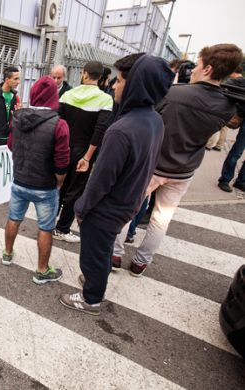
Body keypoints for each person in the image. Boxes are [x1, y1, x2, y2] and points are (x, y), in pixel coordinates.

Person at [113, 44, 243, 277]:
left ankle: (115, 253)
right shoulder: (227, 106)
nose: (192, 69)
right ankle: (141, 262)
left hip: (152, 163)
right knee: (161, 219)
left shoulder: (174, 94)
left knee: (128, 208)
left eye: (198, 65)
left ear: (208, 68)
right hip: (184, 169)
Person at [59, 53, 174, 315]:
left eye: (121, 81)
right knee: (103, 249)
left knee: (94, 253)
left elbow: (101, 179)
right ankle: (94, 281)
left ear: (136, 85)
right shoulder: (154, 119)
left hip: (107, 207)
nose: (115, 86)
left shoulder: (122, 130)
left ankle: (91, 298)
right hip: (130, 201)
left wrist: (82, 207)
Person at [3, 76, 69, 284]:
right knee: (45, 228)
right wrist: (59, 182)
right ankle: (42, 270)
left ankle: (7, 253)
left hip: (20, 180)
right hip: (45, 185)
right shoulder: (59, 124)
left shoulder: (18, 117)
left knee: (14, 218)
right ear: (53, 96)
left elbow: (11, 146)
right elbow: (62, 160)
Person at [53, 61, 113, 243]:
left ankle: (50, 220)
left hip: (64, 148)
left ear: (84, 74)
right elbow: (99, 131)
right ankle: (62, 229)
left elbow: (57, 123)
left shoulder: (68, 94)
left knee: (59, 186)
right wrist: (87, 158)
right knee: (76, 190)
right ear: (101, 77)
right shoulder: (105, 99)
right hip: (84, 152)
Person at [218, 74, 245, 192]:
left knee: (236, 152)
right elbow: (228, 84)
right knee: (236, 152)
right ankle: (224, 180)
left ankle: (241, 181)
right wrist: (239, 108)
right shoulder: (241, 81)